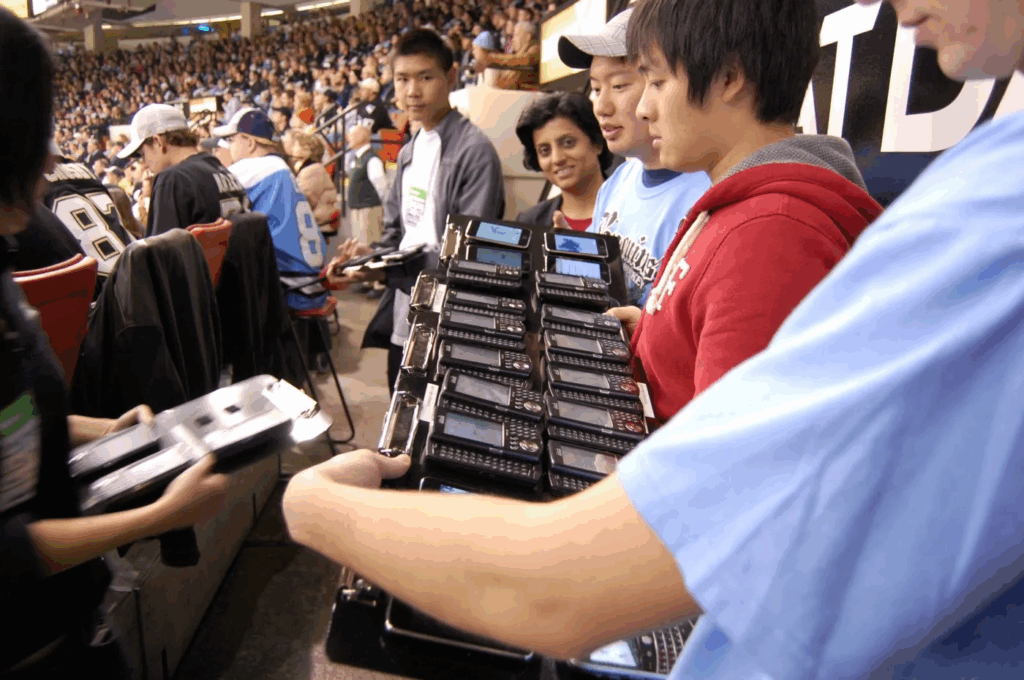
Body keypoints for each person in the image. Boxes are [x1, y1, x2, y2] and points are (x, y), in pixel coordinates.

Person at [283, 0, 1024, 677]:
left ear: (729, 78)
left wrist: (317, 507)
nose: (635, 105)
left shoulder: (773, 232)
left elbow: (676, 552)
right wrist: (658, 328)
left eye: (655, 81)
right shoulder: (737, 211)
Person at [0, 9, 230, 677]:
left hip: (68, 619)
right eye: (35, 133)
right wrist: (157, 514)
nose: (50, 157)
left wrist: (106, 427)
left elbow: (16, 419)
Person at [326, 29, 504, 393]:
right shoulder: (409, 150)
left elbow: (470, 256)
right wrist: (368, 256)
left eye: (425, 77)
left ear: (451, 77)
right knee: (400, 404)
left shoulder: (474, 152)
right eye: (402, 79)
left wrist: (388, 270)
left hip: (448, 318)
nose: (412, 91)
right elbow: (398, 234)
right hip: (404, 313)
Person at [558, 7, 710, 307]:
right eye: (595, 88)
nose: (601, 106)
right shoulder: (618, 183)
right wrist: (572, 254)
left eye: (618, 86)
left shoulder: (708, 194)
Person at [215, 107, 329, 312]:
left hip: (290, 288)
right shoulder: (279, 166)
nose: (229, 148)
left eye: (233, 141)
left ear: (249, 142)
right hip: (310, 281)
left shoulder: (253, 168)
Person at [117, 104, 250, 237]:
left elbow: (160, 253)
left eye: (142, 153)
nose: (144, 163)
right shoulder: (218, 168)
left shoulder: (172, 179)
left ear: (158, 141)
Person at [514, 92, 611, 230]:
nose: (557, 159)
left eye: (568, 142)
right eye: (544, 150)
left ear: (597, 143)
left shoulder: (635, 210)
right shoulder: (529, 223)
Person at [342, 125, 388, 298]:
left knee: (371, 245)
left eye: (352, 135)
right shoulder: (357, 157)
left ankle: (378, 284)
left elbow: (381, 186)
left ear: (363, 137)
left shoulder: (371, 159)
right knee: (360, 245)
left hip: (369, 209)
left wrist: (383, 209)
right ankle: (367, 280)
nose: (348, 138)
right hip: (358, 209)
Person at [282, 129, 339, 229]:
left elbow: (302, 199)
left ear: (304, 148)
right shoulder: (305, 167)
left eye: (295, 144)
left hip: (318, 226)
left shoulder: (312, 169)